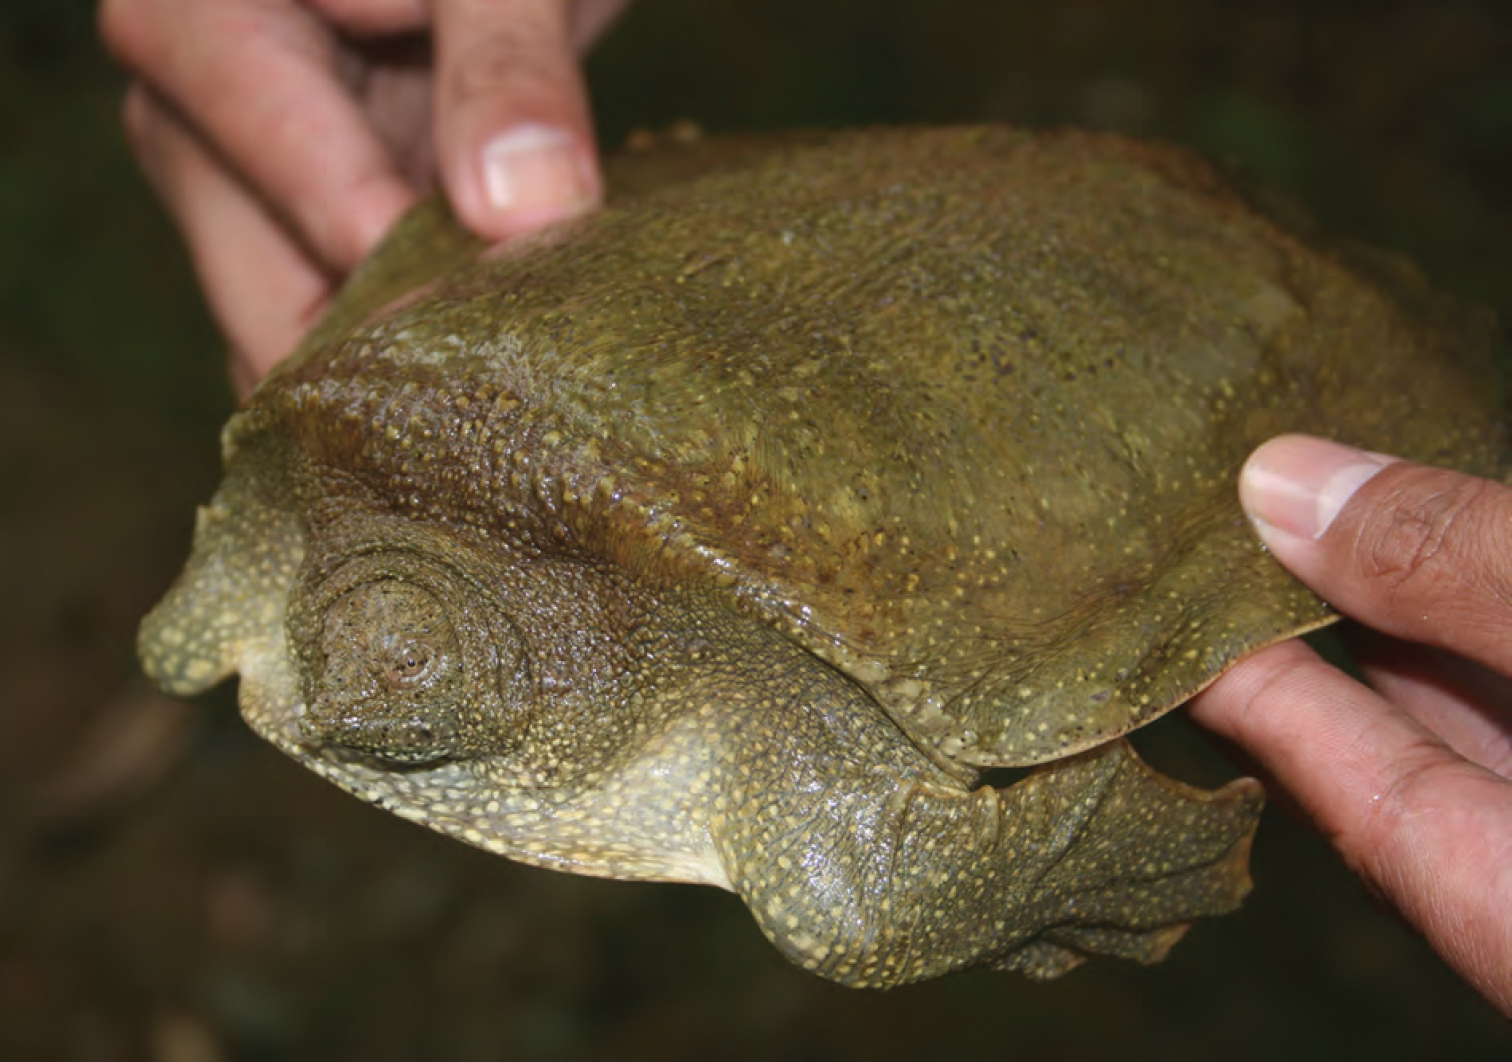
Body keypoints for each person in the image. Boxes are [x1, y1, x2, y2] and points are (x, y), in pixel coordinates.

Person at [101, 0, 1512, 1016]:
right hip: (826, 235)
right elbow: (217, 583)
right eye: (368, 628)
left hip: (1194, 331)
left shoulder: (737, 678)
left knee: (858, 910)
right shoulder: (311, 488)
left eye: (365, 633)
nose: (363, 666)